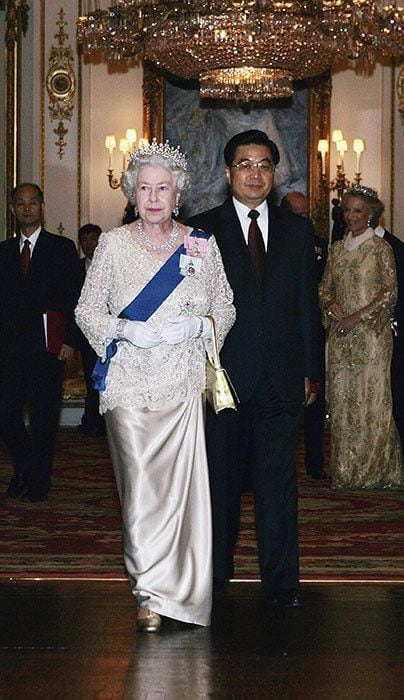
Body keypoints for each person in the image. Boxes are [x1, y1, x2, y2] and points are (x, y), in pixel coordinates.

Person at [75, 139, 235, 632]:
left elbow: (225, 306)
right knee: (142, 490)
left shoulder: (200, 246)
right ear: (131, 192)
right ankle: (147, 591)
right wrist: (124, 329)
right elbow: (86, 310)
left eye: (162, 187)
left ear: (177, 193)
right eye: (143, 187)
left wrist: (200, 326)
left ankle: (184, 593)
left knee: (182, 495)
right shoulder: (113, 244)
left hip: (182, 382)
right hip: (128, 385)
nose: (152, 196)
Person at [186, 130, 320, 608]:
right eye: (245, 164)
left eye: (264, 164)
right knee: (220, 484)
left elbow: (307, 305)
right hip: (222, 379)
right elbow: (191, 304)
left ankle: (282, 584)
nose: (255, 173)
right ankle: (214, 580)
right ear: (228, 172)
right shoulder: (200, 232)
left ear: (274, 172)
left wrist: (311, 370)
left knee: (278, 485)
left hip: (282, 379)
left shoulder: (298, 231)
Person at [319, 184, 404, 490]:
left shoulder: (381, 249)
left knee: (372, 401)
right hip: (341, 337)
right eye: (347, 210)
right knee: (343, 402)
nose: (351, 216)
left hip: (371, 337)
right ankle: (347, 471)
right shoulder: (337, 250)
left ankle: (375, 472)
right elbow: (324, 289)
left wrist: (358, 316)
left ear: (371, 215)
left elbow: (390, 293)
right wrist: (331, 306)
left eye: (357, 211)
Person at [0, 183, 80, 502]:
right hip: (8, 351)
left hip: (48, 347)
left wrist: (71, 340)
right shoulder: (3, 252)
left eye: (33, 202)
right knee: (6, 414)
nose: (27, 208)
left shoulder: (61, 248)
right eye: (21, 203)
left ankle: (38, 481)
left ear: (42, 207)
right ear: (12, 209)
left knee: (45, 418)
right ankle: (25, 466)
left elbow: (75, 298)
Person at [280, 191, 328, 480]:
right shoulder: (275, 243)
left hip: (313, 331)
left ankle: (315, 464)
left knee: (315, 402)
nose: (304, 220)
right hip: (283, 337)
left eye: (306, 214)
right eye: (298, 214)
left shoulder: (321, 245)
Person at [374, 221, 404, 465]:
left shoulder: (396, 250)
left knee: (396, 398)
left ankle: (403, 456)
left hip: (395, 337)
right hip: (373, 339)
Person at [77, 224, 106, 436]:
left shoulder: (110, 265)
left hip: (108, 333)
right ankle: (91, 420)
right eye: (85, 240)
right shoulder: (76, 268)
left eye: (93, 239)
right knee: (91, 377)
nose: (89, 245)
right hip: (85, 335)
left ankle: (104, 422)